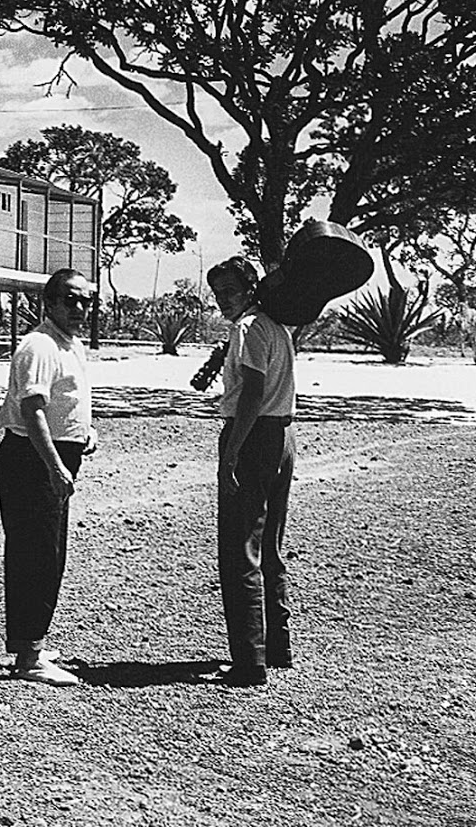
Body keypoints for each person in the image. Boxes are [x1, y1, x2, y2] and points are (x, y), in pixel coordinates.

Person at [0, 268, 97, 686]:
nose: (79, 308)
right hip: (32, 460)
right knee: (36, 554)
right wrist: (55, 466)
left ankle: (29, 642)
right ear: (48, 303)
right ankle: (29, 658)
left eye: (85, 301)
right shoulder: (38, 345)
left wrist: (85, 433)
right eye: (70, 300)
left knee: (50, 553)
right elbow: (32, 410)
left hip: (54, 458)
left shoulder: (69, 345)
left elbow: (64, 403)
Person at [206, 255, 296, 687]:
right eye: (218, 294)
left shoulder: (247, 329)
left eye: (229, 292)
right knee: (271, 547)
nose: (224, 300)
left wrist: (232, 453)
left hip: (255, 438)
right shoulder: (277, 327)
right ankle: (277, 646)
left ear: (249, 289)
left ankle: (248, 661)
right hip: (283, 438)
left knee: (241, 549)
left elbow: (253, 392)